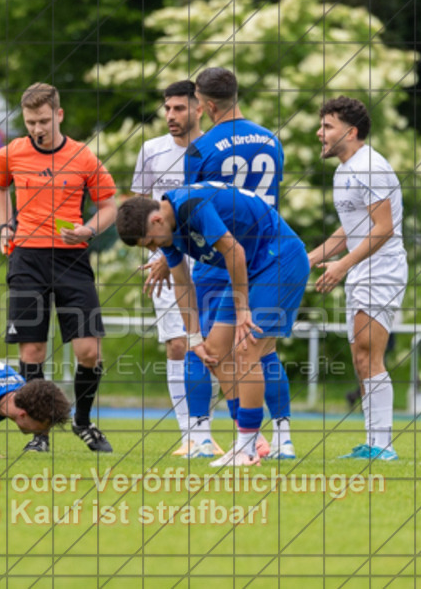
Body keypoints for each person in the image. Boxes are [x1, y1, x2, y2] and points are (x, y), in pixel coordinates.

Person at [116, 184, 310, 467]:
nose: (155, 249)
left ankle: (247, 448)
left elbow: (235, 252)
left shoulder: (191, 207)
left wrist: (243, 308)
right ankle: (254, 439)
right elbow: (182, 282)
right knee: (213, 353)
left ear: (156, 220)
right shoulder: (168, 228)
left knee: (247, 350)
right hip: (251, 267)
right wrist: (193, 338)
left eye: (151, 243)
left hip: (279, 259)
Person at [0, 82, 118, 453]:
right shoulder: (11, 153)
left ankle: (82, 421)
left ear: (58, 115)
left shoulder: (83, 157)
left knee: (88, 352)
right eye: (30, 122)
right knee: (31, 353)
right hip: (27, 257)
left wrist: (88, 230)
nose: (37, 129)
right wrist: (5, 225)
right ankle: (40, 434)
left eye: (44, 120)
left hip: (71, 258)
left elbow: (109, 206)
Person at [182, 66, 295, 460]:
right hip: (269, 255)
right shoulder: (271, 140)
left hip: (220, 258)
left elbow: (193, 205)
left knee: (212, 352)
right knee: (262, 350)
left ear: (208, 105)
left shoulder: (201, 148)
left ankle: (245, 438)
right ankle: (282, 438)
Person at [307, 96, 406, 461]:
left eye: (327, 127)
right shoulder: (343, 171)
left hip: (382, 268)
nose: (319, 133)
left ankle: (383, 445)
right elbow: (351, 230)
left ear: (350, 132)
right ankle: (373, 442)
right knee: (361, 357)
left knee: (369, 353)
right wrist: (311, 258)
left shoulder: (370, 167)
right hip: (361, 267)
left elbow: (383, 229)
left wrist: (342, 265)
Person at [131, 80, 223, 458]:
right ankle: (193, 435)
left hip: (211, 259)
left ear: (199, 108)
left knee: (216, 349)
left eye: (179, 108)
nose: (171, 115)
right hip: (166, 263)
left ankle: (210, 430)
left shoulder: (216, 149)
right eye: (167, 108)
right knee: (179, 345)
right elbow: (138, 204)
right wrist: (158, 256)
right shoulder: (152, 151)